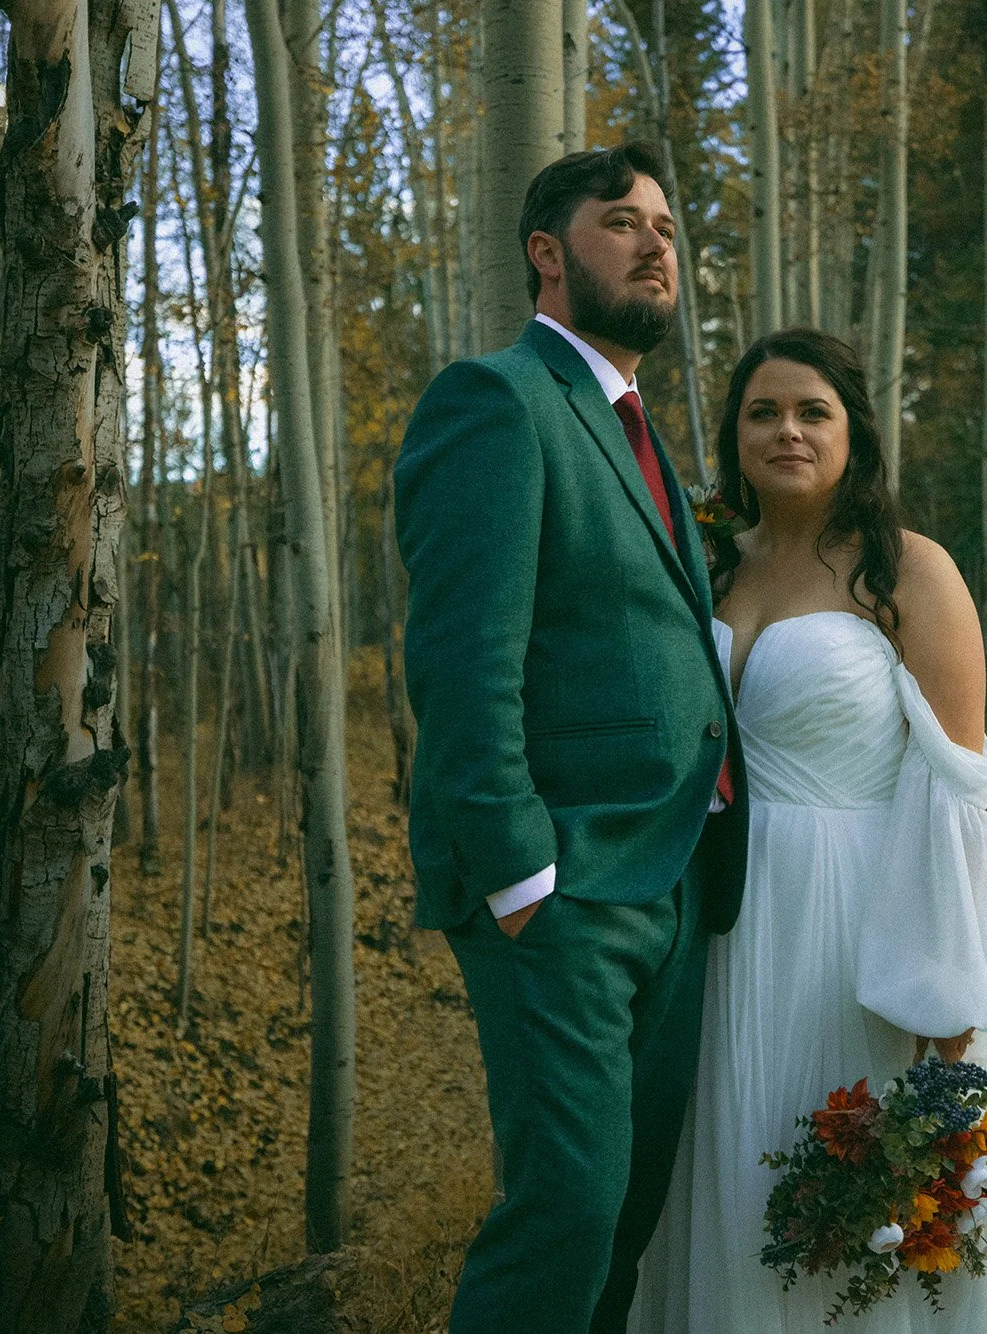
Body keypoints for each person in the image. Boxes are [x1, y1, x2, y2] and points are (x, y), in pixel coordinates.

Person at [628, 329, 987, 1332]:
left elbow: (952, 791)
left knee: (871, 1193)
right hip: (719, 923)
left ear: (851, 431)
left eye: (810, 410)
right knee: (736, 1179)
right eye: (762, 411)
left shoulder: (906, 569)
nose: (786, 428)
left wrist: (943, 996)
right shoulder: (706, 565)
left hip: (861, 917)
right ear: (733, 433)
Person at [393, 143, 748, 1334]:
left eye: (664, 223)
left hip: (671, 879)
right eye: (620, 222)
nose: (656, 243)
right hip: (565, 888)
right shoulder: (495, 401)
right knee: (565, 1210)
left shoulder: (634, 426)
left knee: (628, 1212)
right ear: (548, 253)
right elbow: (461, 660)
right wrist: (518, 872)